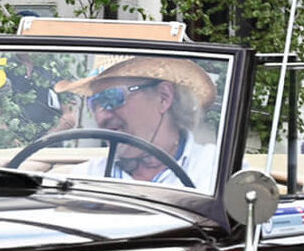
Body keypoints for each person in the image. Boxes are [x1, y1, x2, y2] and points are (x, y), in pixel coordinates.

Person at [56, 55, 220, 189]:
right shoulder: (87, 178)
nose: (101, 117)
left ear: (163, 97)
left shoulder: (215, 171)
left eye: (112, 97)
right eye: (93, 103)